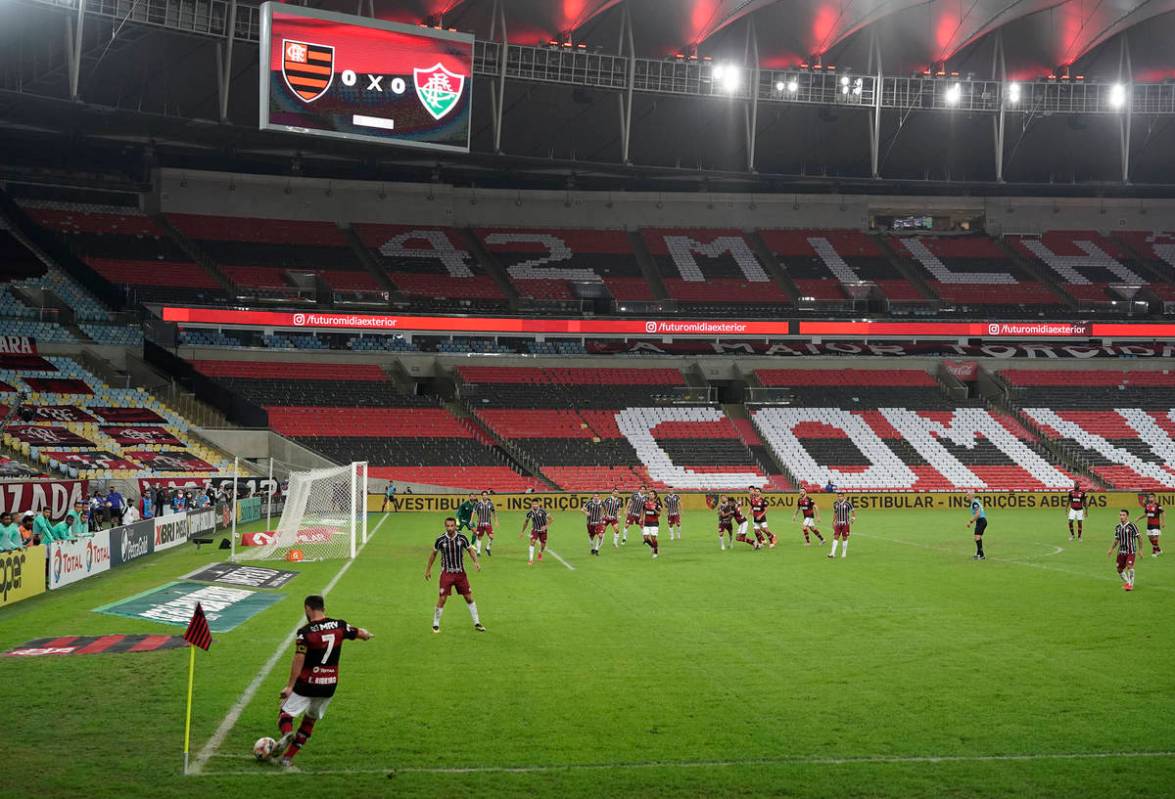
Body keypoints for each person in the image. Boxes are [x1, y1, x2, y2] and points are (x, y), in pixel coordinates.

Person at [274, 594, 373, 768]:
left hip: (308, 682)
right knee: (310, 721)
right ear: (324, 609)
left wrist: (290, 686)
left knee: (285, 713)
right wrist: (366, 635)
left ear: (307, 609)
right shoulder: (340, 625)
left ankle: (287, 733)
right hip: (329, 684)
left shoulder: (305, 633)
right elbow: (360, 633)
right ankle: (287, 758)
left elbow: (299, 659)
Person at [425, 517, 485, 633]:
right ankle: (436, 624)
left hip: (460, 573)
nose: (450, 528)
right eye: (448, 526)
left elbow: (470, 550)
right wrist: (428, 569)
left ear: (455, 526)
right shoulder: (440, 539)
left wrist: (476, 562)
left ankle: (477, 622)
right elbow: (433, 554)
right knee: (442, 598)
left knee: (468, 597)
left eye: (452, 526)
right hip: (446, 573)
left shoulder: (462, 537)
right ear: (445, 526)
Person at [1107, 509, 1141, 591]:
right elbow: (1116, 540)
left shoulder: (1132, 526)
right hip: (1121, 551)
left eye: (1123, 515)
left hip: (1131, 551)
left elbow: (1139, 538)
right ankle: (1127, 581)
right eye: (1120, 515)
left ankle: (1130, 585)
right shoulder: (1118, 527)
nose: (1121, 517)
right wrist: (1111, 549)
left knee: (1129, 566)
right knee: (1119, 569)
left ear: (1127, 516)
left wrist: (1140, 550)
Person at [520, 499, 551, 565]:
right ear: (531, 505)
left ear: (538, 504)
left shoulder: (543, 511)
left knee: (543, 545)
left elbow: (551, 519)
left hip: (543, 531)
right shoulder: (529, 513)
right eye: (533, 504)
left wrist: (546, 526)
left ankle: (540, 552)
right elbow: (526, 522)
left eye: (536, 504)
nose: (535, 505)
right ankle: (530, 559)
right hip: (535, 529)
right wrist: (522, 531)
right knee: (533, 542)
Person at [828, 491, 855, 559]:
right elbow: (835, 512)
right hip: (838, 523)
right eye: (838, 496)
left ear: (843, 496)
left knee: (844, 537)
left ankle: (844, 552)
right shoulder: (835, 503)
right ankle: (832, 553)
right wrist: (833, 521)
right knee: (836, 536)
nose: (839, 497)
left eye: (841, 496)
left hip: (845, 523)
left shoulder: (848, 503)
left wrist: (853, 518)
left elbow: (853, 511)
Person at [472, 491, 497, 556]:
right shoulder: (478, 504)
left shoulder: (490, 503)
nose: (485, 496)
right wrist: (471, 520)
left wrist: (496, 521)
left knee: (491, 536)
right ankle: (478, 551)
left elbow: (493, 511)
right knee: (479, 537)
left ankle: (488, 548)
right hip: (480, 523)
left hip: (488, 523)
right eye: (483, 495)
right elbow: (474, 512)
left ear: (487, 496)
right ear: (482, 496)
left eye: (486, 495)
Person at [965, 490, 987, 561]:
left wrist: (970, 522)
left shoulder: (974, 503)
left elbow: (978, 514)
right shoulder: (975, 502)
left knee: (977, 538)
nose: (966, 496)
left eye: (968, 494)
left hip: (981, 521)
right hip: (980, 521)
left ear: (971, 496)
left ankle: (982, 555)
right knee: (977, 538)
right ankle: (978, 554)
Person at [641, 489, 662, 559]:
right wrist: (641, 518)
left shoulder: (657, 504)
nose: (650, 495)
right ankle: (653, 546)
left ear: (655, 496)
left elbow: (659, 514)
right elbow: (643, 511)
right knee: (645, 538)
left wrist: (654, 509)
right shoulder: (645, 503)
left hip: (654, 523)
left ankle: (655, 552)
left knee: (653, 538)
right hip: (646, 523)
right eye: (649, 494)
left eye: (652, 494)